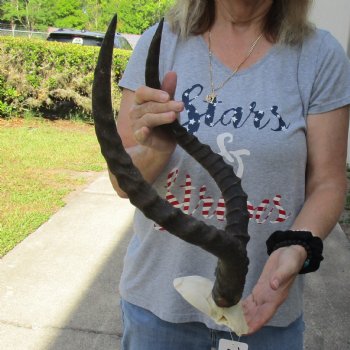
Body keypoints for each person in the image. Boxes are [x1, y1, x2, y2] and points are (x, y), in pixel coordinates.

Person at [109, 0, 350, 349]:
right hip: (158, 310)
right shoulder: (161, 43)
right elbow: (121, 182)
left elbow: (328, 182)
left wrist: (296, 246)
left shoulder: (318, 55)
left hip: (262, 313)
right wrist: (158, 147)